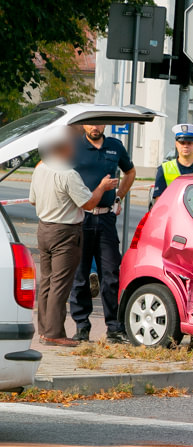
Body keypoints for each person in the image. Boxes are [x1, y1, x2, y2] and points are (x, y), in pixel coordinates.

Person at [29, 127, 116, 347]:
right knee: (61, 283)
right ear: (65, 147)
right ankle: (55, 332)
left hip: (44, 228)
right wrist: (102, 187)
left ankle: (44, 330)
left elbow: (32, 200)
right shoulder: (68, 174)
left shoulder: (40, 169)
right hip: (65, 232)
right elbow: (88, 203)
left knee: (47, 281)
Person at [69, 125, 136, 343]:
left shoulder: (114, 146)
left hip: (106, 218)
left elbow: (130, 172)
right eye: (91, 123)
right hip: (81, 217)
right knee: (80, 275)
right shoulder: (74, 146)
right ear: (85, 125)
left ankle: (114, 328)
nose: (95, 127)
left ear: (105, 125)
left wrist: (119, 197)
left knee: (111, 274)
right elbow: (56, 171)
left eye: (99, 123)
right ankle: (82, 326)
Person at [152, 124, 193, 202]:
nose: (185, 146)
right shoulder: (163, 169)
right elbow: (159, 201)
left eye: (189, 143)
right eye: (182, 143)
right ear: (176, 144)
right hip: (173, 214)